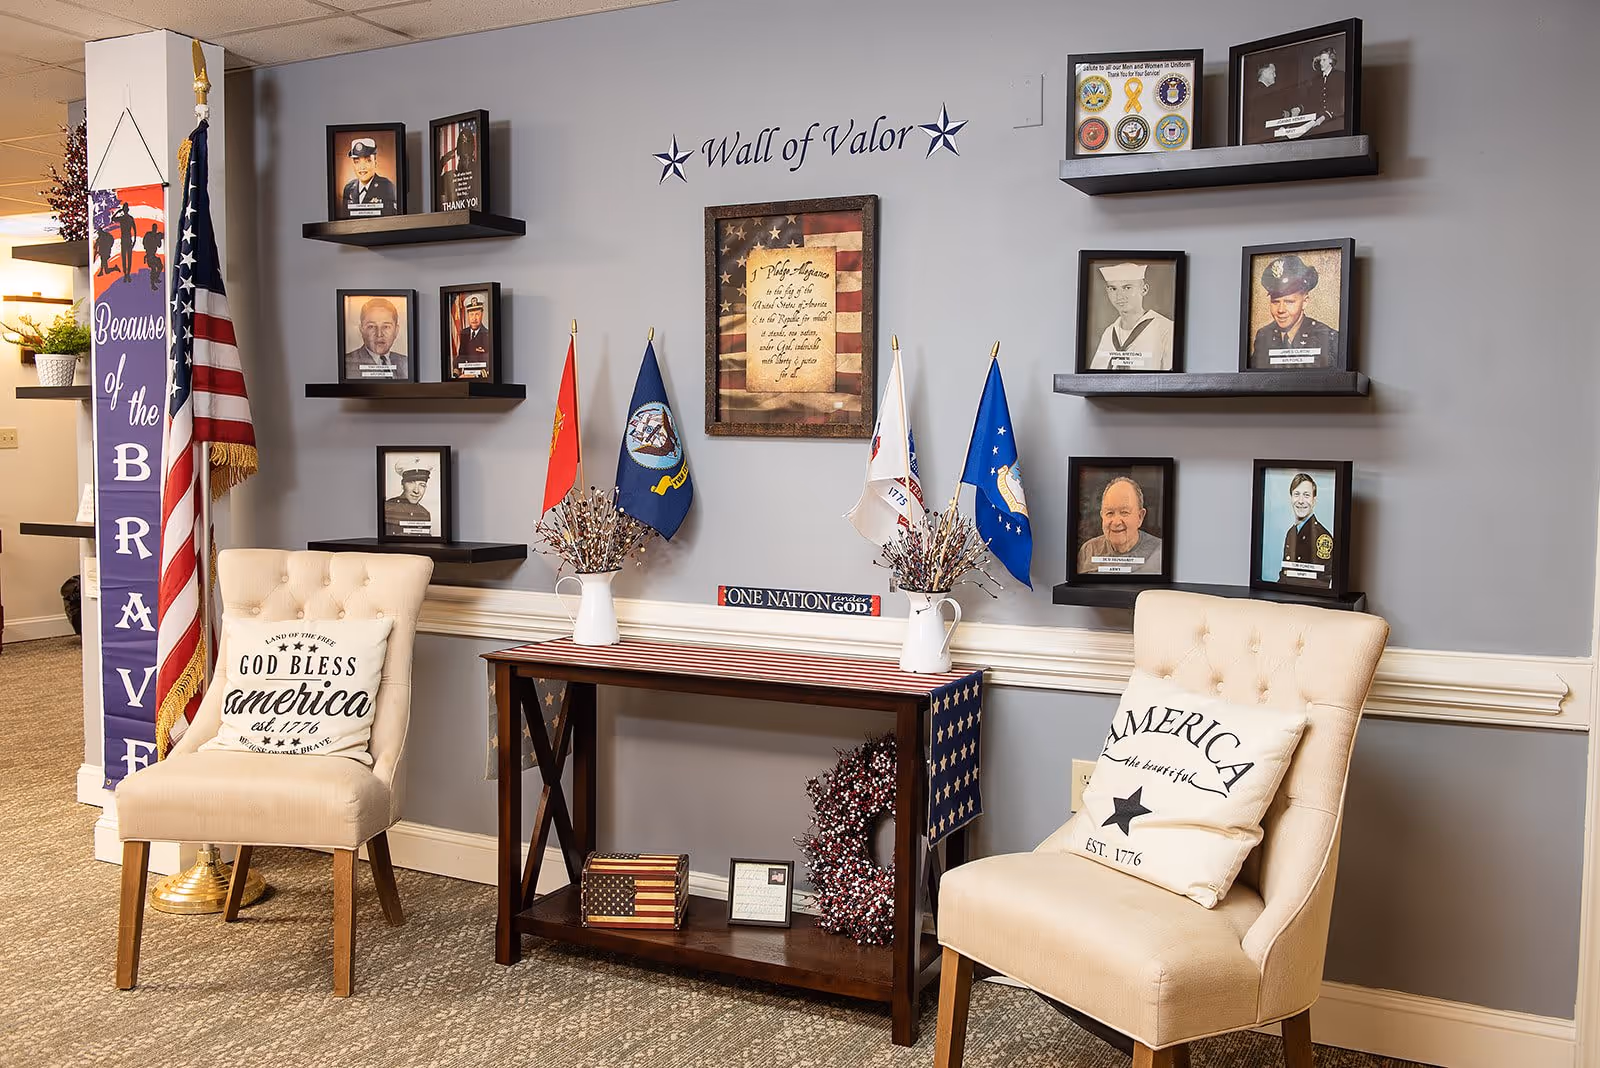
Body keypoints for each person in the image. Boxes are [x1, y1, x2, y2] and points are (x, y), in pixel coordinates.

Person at [1251, 254, 1339, 368]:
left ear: (1305, 301)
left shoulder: (1327, 338)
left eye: (1289, 302)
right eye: (1275, 302)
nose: (1281, 310)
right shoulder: (1263, 336)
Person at [1089, 262, 1173, 370]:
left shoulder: (1165, 328)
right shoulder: (1109, 332)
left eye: (1127, 288)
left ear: (1144, 289)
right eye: (1113, 289)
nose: (1119, 296)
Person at [1076, 475, 1163, 575]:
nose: (1116, 522)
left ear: (1140, 517)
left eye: (1124, 512)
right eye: (1109, 513)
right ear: (1102, 516)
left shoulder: (1160, 552)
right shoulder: (1089, 550)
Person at [1278, 472, 1334, 588]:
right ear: (1291, 498)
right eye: (1297, 494)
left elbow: (1321, 582)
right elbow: (1285, 575)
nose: (1301, 500)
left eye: (1306, 495)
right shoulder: (1291, 533)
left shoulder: (1322, 537)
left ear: (1314, 500)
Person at [344, 297, 409, 380]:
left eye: (386, 326)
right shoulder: (348, 363)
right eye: (371, 326)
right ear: (362, 330)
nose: (379, 334)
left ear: (396, 331)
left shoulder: (406, 363)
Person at [340, 138, 399, 217]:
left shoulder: (387, 187)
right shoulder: (348, 188)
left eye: (368, 160)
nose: (362, 167)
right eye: (356, 161)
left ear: (375, 162)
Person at [383, 457, 434, 537]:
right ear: (402, 484)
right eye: (411, 483)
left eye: (422, 485)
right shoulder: (387, 507)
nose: (416, 491)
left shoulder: (424, 514)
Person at [451, 294, 492, 378]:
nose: (474, 319)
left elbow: (490, 363)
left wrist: (475, 375)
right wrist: (456, 370)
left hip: (481, 379)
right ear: (468, 315)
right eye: (471, 314)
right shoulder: (464, 333)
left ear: (482, 314)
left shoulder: (488, 335)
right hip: (464, 377)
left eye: (477, 314)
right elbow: (461, 356)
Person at [111, 201, 136, 281]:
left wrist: (134, 241)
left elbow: (135, 230)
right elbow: (113, 219)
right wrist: (118, 212)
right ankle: (126, 274)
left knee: (128, 257)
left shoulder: (129, 218)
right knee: (124, 258)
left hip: (128, 239)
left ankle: (127, 274)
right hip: (125, 239)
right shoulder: (123, 218)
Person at [141, 223, 164, 292]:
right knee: (153, 268)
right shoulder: (149, 234)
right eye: (154, 227)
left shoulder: (156, 236)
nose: (155, 229)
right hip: (149, 254)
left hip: (153, 254)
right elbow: (144, 242)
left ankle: (156, 278)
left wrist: (158, 238)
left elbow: (159, 245)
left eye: (155, 228)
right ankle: (152, 284)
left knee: (160, 266)